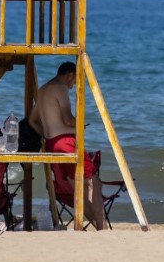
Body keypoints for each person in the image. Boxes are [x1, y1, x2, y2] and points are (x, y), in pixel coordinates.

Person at [29, 61, 107, 229]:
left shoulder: (42, 90)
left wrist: (46, 134)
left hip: (52, 144)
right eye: (75, 81)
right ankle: (102, 227)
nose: (73, 86)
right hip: (66, 143)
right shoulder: (60, 88)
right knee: (93, 183)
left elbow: (32, 120)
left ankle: (96, 225)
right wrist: (80, 124)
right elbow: (67, 119)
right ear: (70, 75)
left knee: (76, 189)